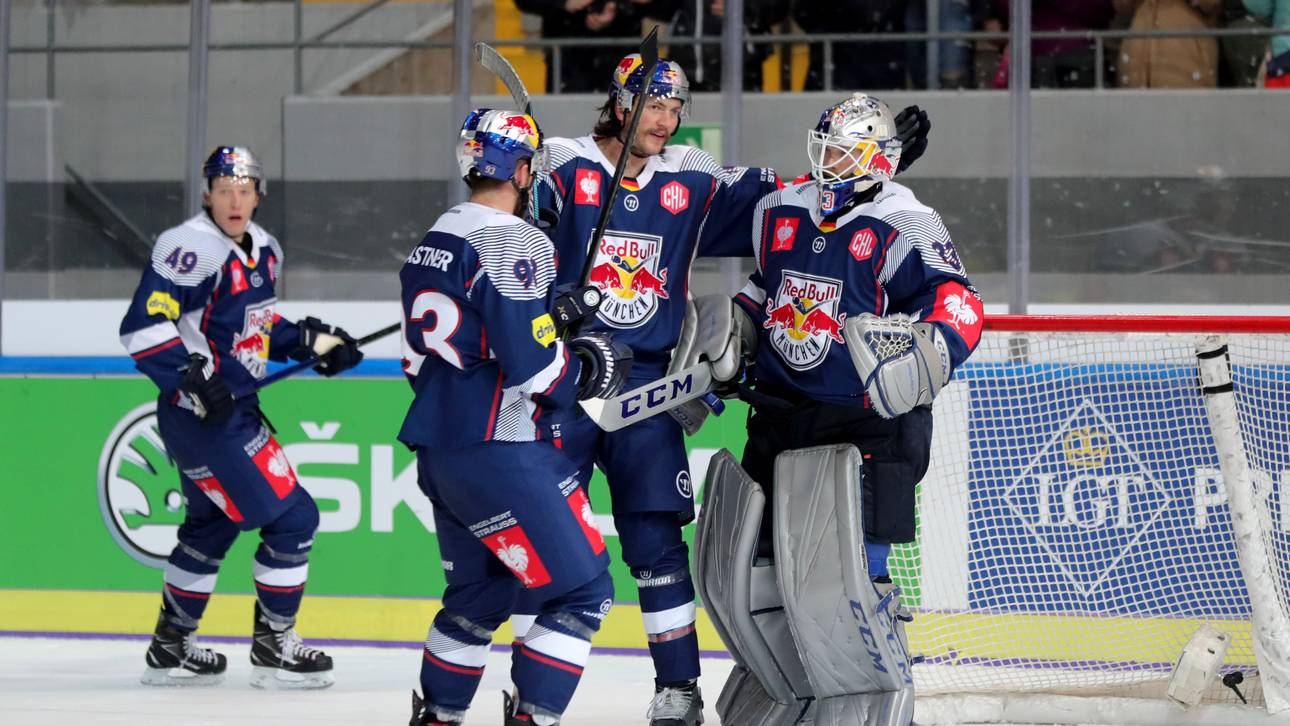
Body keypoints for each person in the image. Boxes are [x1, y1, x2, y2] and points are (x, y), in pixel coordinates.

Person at [527, 55, 932, 725]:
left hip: (646, 390)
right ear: (620, 103)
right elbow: (507, 234)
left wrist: (875, 169)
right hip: (564, 383)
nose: (665, 120)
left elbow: (800, 201)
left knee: (657, 546)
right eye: (653, 105)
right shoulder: (560, 163)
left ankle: (677, 689)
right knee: (550, 543)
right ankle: (528, 695)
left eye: (674, 108)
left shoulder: (693, 174)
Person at [696, 92, 983, 725]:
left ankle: (876, 699)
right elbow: (766, 286)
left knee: (853, 574)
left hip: (866, 417)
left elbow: (959, 301)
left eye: (843, 150)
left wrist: (934, 347)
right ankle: (786, 691)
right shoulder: (782, 209)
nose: (827, 159)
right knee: (763, 571)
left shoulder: (905, 222)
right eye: (823, 145)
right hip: (781, 411)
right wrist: (735, 328)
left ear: (877, 159)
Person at [400, 109, 634, 726]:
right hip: (502, 447)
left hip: (441, 449)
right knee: (583, 591)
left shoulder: (436, 237)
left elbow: (448, 345)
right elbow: (534, 370)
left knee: (481, 594)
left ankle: (439, 716)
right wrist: (582, 371)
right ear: (524, 170)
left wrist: (547, 313)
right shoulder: (516, 241)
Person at [119, 146, 364, 689]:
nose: (235, 200)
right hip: (207, 418)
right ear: (207, 193)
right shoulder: (189, 248)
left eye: (244, 190)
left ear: (258, 195)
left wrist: (309, 341)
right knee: (294, 519)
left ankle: (170, 646)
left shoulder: (264, 249)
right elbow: (143, 326)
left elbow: (250, 331)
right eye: (224, 189)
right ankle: (274, 646)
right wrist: (193, 378)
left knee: (210, 526)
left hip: (227, 409)